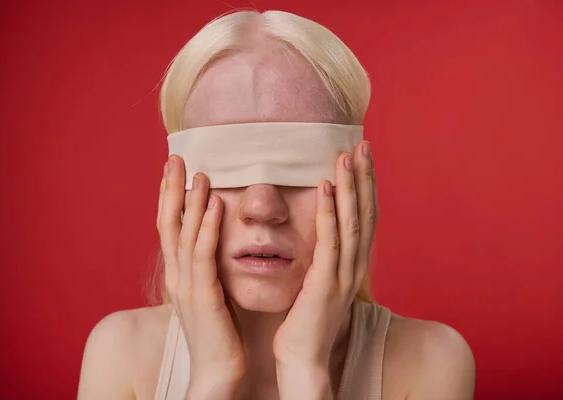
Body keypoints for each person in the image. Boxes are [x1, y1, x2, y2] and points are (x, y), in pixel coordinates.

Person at [77, 9, 475, 400]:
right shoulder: (120, 355)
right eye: (225, 164)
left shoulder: (431, 361)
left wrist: (305, 371)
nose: (262, 205)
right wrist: (212, 380)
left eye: (299, 163)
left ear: (357, 184)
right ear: (174, 191)